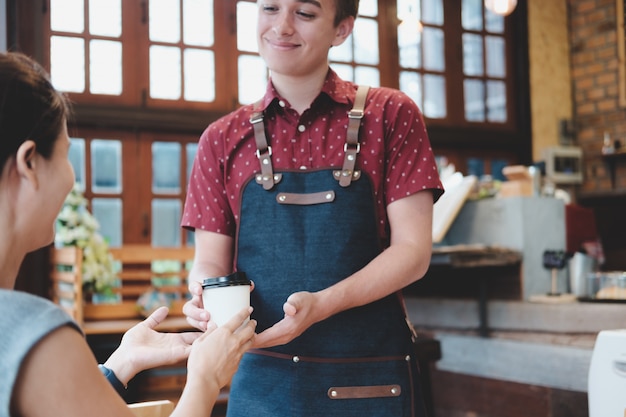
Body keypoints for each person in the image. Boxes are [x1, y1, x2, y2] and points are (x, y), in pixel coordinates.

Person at [181, 0, 444, 416]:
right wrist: (202, 294)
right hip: (261, 383)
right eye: (269, 8)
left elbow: (413, 253)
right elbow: (208, 262)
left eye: (304, 13)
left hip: (371, 381)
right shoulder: (220, 138)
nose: (281, 27)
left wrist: (323, 304)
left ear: (342, 29)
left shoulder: (392, 114)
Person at [0, 51, 256, 417]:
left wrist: (118, 366)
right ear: (29, 163)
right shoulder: (35, 334)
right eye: (65, 156)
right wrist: (204, 379)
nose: (72, 178)